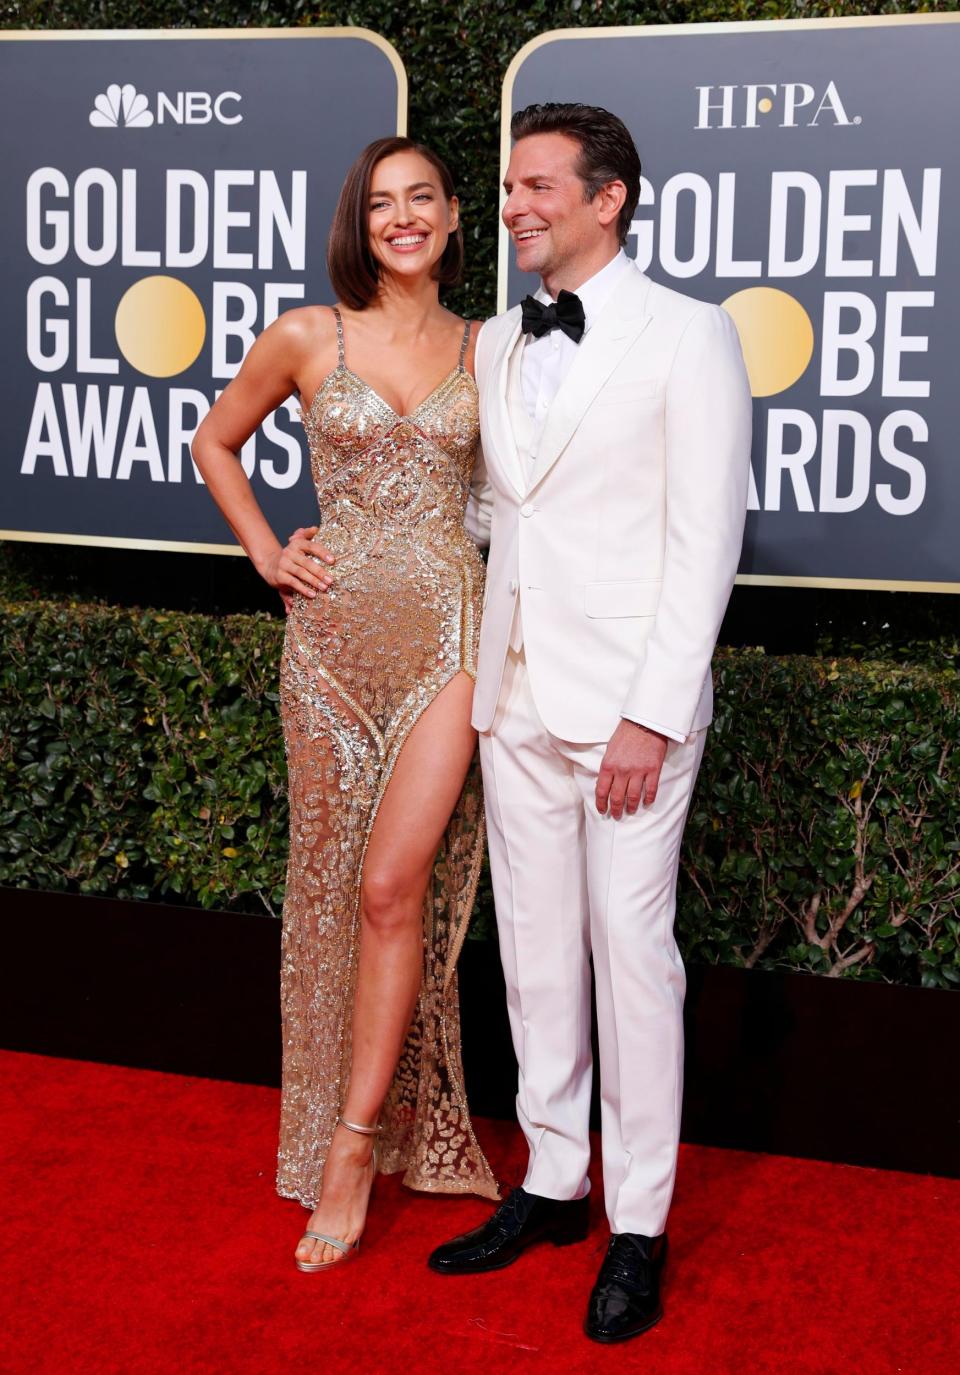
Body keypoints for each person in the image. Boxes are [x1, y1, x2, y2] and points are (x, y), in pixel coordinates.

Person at [427, 103, 752, 1344]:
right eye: (509, 187)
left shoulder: (690, 335)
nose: (513, 206)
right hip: (513, 698)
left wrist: (651, 718)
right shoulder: (499, 341)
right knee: (539, 954)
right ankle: (555, 1180)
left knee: (633, 956)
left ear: (608, 197)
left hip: (628, 713)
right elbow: (499, 514)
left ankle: (640, 1220)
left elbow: (703, 542)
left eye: (536, 186)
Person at [191, 135, 499, 1275]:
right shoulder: (308, 334)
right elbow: (216, 441)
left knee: (387, 885)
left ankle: (357, 1141)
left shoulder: (491, 346)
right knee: (327, 884)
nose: (404, 217)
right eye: (383, 204)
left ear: (457, 216)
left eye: (423, 199)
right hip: (327, 648)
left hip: (453, 640)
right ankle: (333, 1117)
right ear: (358, 223)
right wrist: (269, 551)